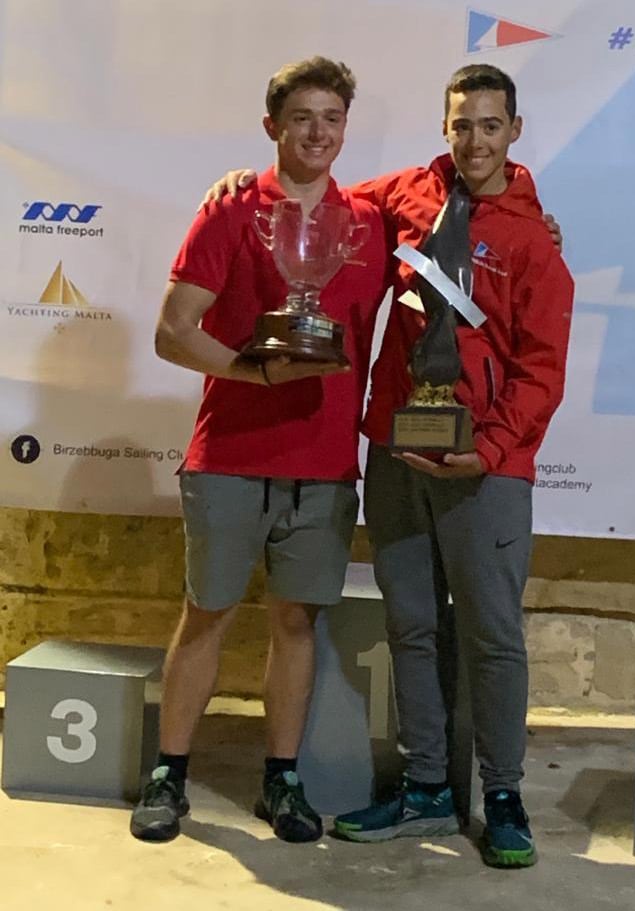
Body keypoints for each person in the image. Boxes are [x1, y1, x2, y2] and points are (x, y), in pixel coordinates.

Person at [205, 63, 574, 869]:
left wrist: (492, 448)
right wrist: (248, 187)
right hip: (398, 450)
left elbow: (542, 368)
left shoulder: (533, 240)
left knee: (492, 633)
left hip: (485, 466)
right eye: (461, 125)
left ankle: (503, 795)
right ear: (445, 127)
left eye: (490, 125)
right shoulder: (405, 193)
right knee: (411, 624)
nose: (474, 141)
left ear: (514, 131)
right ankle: (427, 786)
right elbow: (317, 196)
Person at [129, 57, 390, 845]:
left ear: (346, 127)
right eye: (303, 117)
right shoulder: (233, 207)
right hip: (230, 454)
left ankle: (282, 778)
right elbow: (172, 332)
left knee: (295, 624)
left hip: (325, 461)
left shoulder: (371, 219)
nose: (319, 133)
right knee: (205, 615)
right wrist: (252, 371)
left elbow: (459, 196)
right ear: (272, 126)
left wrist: (538, 218)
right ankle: (168, 773)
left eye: (332, 119)